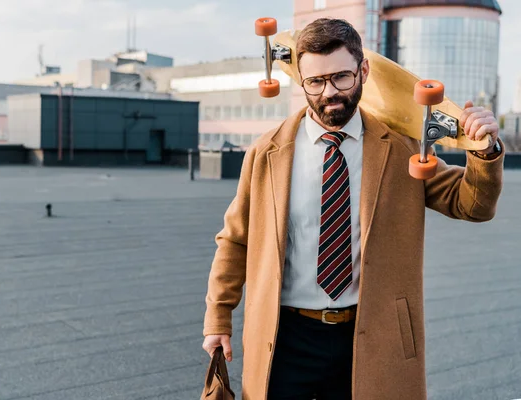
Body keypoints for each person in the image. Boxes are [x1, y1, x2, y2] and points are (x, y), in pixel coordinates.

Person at [202, 18, 504, 400]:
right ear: (300, 79)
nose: (329, 92)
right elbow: (234, 241)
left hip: (372, 335)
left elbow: (473, 205)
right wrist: (218, 318)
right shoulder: (267, 152)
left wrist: (485, 152)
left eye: (341, 77)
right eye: (315, 81)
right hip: (285, 337)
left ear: (363, 71)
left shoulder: (401, 149)